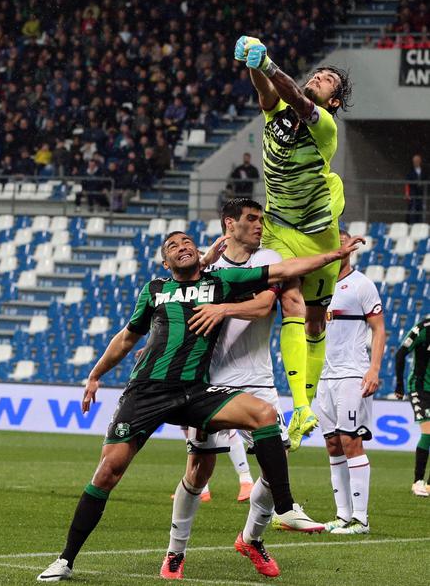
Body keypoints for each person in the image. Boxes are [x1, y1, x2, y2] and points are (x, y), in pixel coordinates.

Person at [37, 230, 362, 582]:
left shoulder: (220, 282)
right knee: (108, 473)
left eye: (187, 242)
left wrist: (334, 255)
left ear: (199, 251)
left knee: (264, 416)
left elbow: (285, 271)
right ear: (166, 262)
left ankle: (283, 507)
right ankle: (65, 560)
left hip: (195, 392)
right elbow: (128, 337)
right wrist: (95, 375)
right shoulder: (155, 291)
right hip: (146, 392)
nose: (182, 247)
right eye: (173, 246)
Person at [161, 199, 324, 581]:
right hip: (210, 380)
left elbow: (268, 305)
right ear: (228, 224)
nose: (258, 225)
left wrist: (225, 308)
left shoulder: (269, 257)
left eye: (261, 219)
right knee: (199, 469)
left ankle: (251, 538)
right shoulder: (206, 267)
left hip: (258, 379)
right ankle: (174, 552)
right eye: (251, 219)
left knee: (275, 462)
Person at [234, 35, 353, 450]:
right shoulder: (278, 110)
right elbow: (267, 90)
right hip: (280, 226)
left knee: (318, 321)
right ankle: (299, 408)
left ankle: (308, 405)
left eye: (326, 82)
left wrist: (266, 63)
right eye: (317, 74)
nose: (318, 79)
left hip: (319, 233)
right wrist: (252, 60)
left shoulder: (324, 124)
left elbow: (294, 97)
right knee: (291, 302)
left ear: (333, 101)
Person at [316, 229, 386, 535]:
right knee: (332, 445)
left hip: (352, 373)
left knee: (350, 441)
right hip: (323, 376)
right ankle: (342, 516)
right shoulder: (317, 285)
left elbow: (380, 329)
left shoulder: (362, 284)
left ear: (350, 247)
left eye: (341, 240)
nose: (337, 245)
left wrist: (373, 370)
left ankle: (361, 519)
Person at [395, 315, 430, 497]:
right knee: (428, 432)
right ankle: (417, 481)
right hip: (420, 387)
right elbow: (401, 353)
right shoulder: (423, 328)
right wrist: (399, 386)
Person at [405, 153, 427, 224]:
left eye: (417, 161)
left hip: (421, 194)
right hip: (413, 193)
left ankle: (419, 224)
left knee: (421, 210)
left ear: (420, 161)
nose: (415, 163)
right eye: (414, 161)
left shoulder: (424, 172)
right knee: (412, 210)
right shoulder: (410, 172)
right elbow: (407, 183)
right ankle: (411, 225)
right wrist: (407, 193)